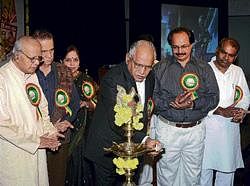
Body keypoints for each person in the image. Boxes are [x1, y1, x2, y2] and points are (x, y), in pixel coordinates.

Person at [85, 40, 161, 185]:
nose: (142, 72)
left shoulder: (150, 77)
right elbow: (117, 121)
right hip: (107, 151)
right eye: (138, 65)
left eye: (148, 67)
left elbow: (146, 109)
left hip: (133, 150)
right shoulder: (112, 79)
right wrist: (145, 141)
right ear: (128, 58)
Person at [153, 27, 219, 185]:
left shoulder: (204, 68)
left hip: (195, 131)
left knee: (193, 175)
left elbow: (214, 98)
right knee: (167, 176)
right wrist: (171, 103)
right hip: (168, 129)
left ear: (192, 45)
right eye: (175, 47)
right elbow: (153, 96)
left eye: (184, 46)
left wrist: (192, 104)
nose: (180, 51)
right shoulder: (160, 68)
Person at [0, 36, 63, 185]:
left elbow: (41, 108)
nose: (36, 63)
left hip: (37, 151)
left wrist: (50, 132)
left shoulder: (31, 75)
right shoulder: (3, 79)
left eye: (39, 58)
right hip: (15, 154)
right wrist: (36, 141)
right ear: (17, 56)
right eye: (32, 58)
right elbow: (2, 125)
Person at [33, 30, 80, 186]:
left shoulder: (64, 71)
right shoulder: (28, 74)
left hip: (60, 138)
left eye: (51, 50)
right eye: (44, 51)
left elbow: (74, 103)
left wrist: (65, 121)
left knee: (57, 181)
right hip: (36, 139)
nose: (49, 55)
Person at [200, 38, 250, 186]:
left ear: (235, 57)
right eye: (223, 53)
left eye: (231, 55)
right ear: (217, 50)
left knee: (227, 172)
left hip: (229, 129)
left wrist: (240, 111)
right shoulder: (204, 69)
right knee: (204, 172)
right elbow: (198, 99)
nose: (226, 58)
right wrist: (218, 110)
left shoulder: (237, 71)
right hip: (207, 128)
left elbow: (244, 97)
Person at [63, 45, 98, 186]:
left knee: (81, 164)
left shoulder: (86, 80)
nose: (72, 64)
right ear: (62, 61)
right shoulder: (59, 79)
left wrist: (87, 104)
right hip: (63, 127)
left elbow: (97, 103)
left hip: (83, 129)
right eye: (68, 60)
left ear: (79, 61)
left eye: (75, 60)